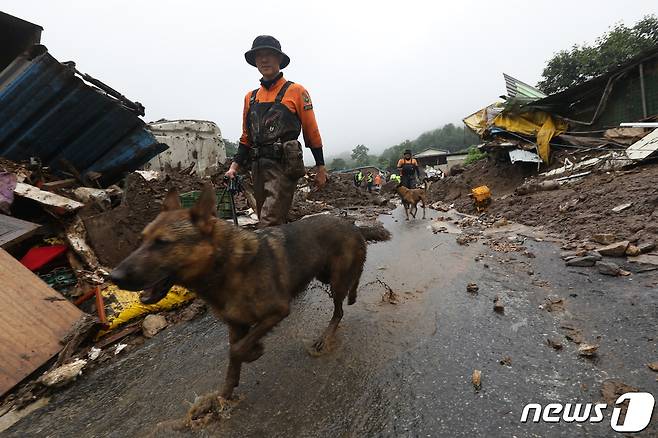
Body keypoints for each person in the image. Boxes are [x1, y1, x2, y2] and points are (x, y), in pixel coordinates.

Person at [225, 35, 327, 227]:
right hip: (257, 168)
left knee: (268, 223)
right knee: (271, 220)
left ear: (279, 59)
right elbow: (246, 137)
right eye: (259, 56)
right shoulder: (251, 98)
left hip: (283, 167)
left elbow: (311, 130)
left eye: (269, 55)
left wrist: (320, 166)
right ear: (255, 61)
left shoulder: (297, 91)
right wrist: (234, 167)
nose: (264, 60)